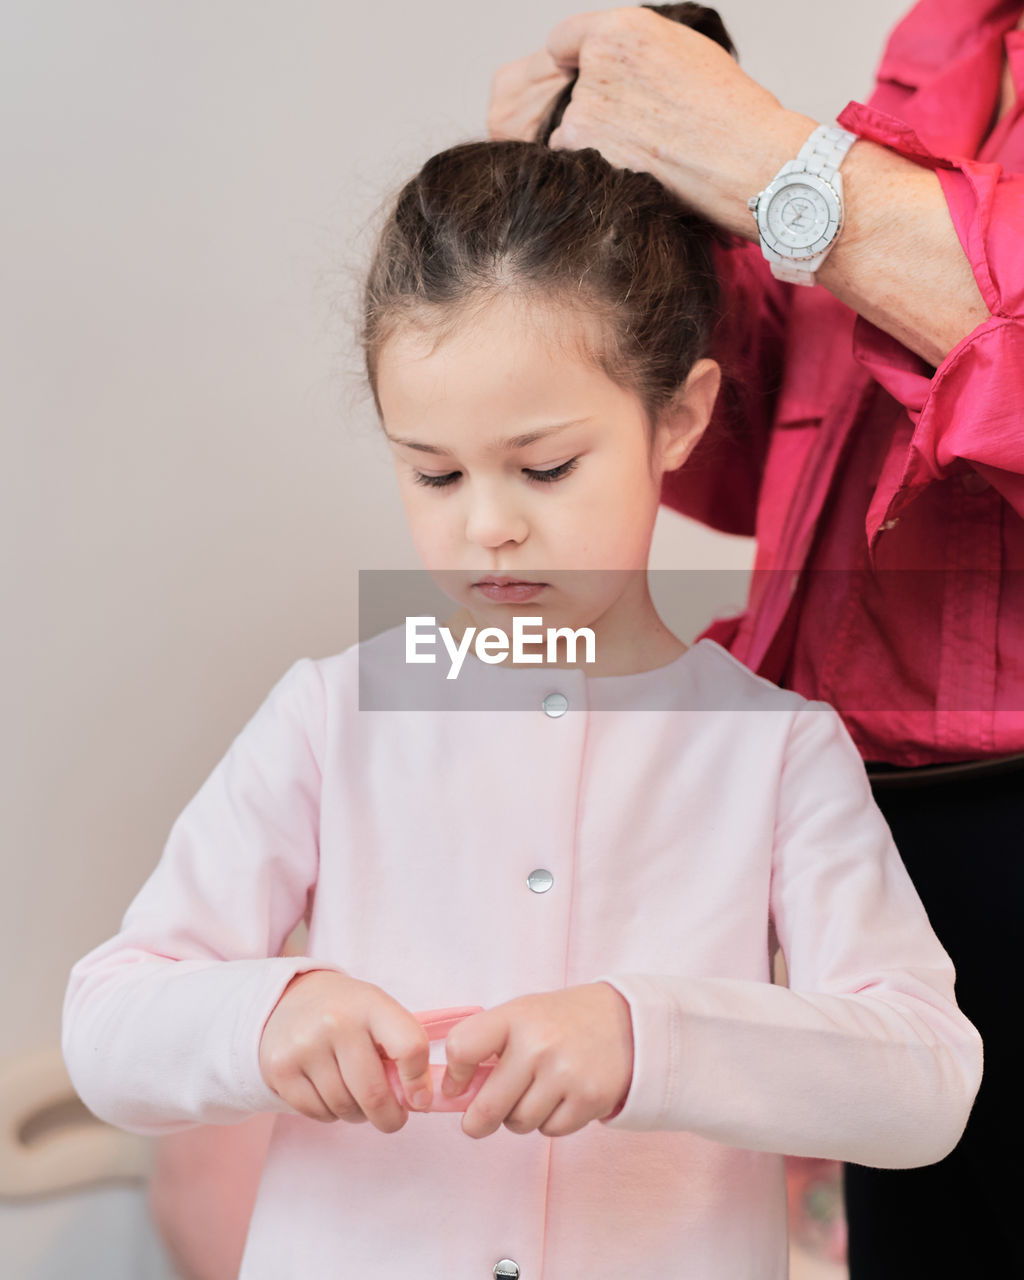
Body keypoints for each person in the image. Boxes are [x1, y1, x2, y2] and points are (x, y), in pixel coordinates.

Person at [62, 14, 982, 1277]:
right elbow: (108, 1022)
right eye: (432, 473)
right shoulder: (333, 717)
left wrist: (646, 1035)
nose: (488, 526)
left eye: (545, 466)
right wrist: (269, 1010)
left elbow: (926, 1080)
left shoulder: (775, 748)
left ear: (680, 417)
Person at [487, 2, 1024, 1275]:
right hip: (883, 811)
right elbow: (792, 450)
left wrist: (778, 167)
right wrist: (672, 217)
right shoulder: (959, 38)